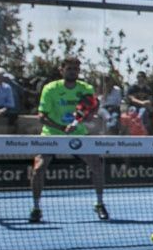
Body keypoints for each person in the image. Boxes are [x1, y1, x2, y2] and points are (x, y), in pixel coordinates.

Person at [30, 57, 107, 224]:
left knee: (97, 164)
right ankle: (36, 208)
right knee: (39, 168)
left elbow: (90, 111)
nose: (73, 71)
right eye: (69, 68)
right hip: (52, 134)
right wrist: (60, 128)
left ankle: (100, 203)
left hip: (78, 134)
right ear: (62, 70)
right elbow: (42, 117)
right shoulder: (50, 89)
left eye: (75, 69)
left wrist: (78, 123)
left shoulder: (86, 88)